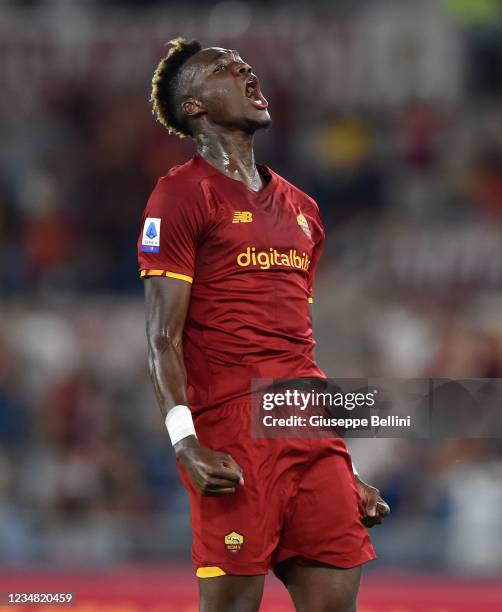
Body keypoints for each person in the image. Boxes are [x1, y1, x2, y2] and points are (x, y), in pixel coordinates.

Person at [138, 37, 390, 612]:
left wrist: (340, 463)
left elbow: (294, 344)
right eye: (225, 69)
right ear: (194, 106)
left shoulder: (304, 211)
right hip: (231, 433)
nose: (245, 70)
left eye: (245, 65)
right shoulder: (179, 197)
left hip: (309, 430)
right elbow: (161, 339)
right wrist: (185, 445)